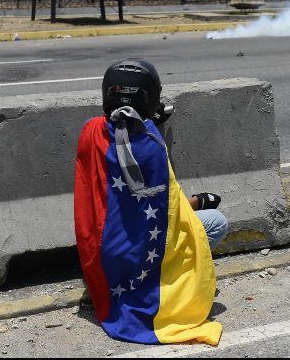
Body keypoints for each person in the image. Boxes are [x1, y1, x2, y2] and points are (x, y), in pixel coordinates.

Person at [74, 58, 227, 346]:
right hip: (143, 256)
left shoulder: (89, 132)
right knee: (216, 223)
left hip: (101, 256)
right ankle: (170, 285)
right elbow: (168, 213)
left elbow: (119, 143)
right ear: (149, 96)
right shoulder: (152, 145)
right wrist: (197, 202)